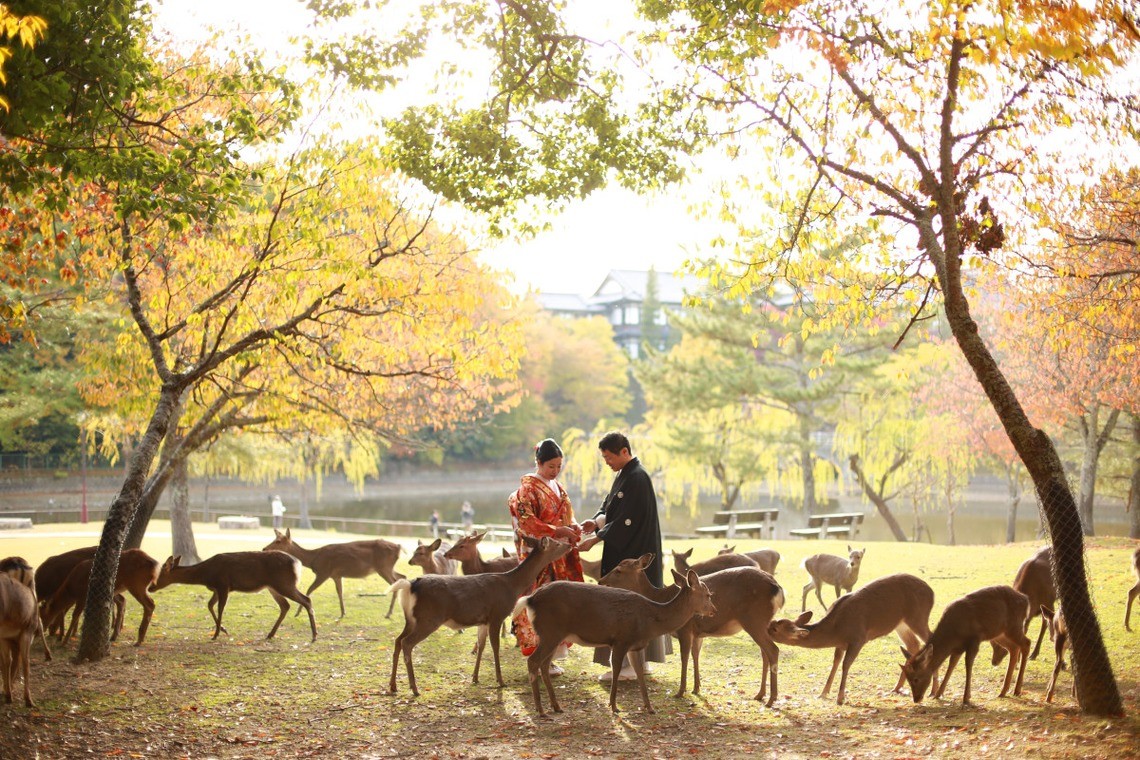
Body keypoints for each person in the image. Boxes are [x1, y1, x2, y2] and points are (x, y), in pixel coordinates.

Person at [579, 430, 669, 681]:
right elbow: (610, 507)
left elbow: (626, 521)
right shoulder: (625, 475)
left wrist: (596, 539)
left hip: (634, 555)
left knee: (630, 606)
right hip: (627, 551)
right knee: (629, 605)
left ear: (624, 452)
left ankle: (630, 667)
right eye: (604, 457)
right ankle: (636, 664)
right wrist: (595, 523)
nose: (606, 462)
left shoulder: (637, 477)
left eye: (609, 457)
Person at [508, 438, 585, 676]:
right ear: (538, 463)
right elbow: (527, 523)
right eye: (551, 466)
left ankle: (550, 657)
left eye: (559, 466)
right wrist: (556, 531)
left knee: (559, 604)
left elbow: (567, 515)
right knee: (539, 602)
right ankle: (540, 657)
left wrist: (574, 526)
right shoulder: (527, 490)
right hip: (539, 556)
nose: (555, 471)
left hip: (559, 553)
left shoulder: (558, 487)